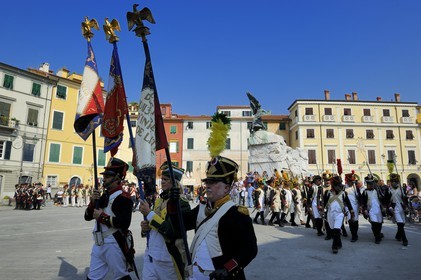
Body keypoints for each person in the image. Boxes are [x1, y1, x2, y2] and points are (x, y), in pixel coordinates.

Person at [169, 156, 258, 280]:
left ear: (227, 187)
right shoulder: (201, 208)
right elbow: (178, 226)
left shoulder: (237, 213)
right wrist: (173, 203)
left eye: (213, 182)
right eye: (207, 182)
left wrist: (228, 269)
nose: (208, 186)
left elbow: (250, 249)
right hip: (195, 274)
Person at [138, 162, 191, 280]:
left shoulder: (182, 203)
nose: (162, 181)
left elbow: (171, 231)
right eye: (162, 179)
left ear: (174, 182)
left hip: (168, 258)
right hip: (151, 253)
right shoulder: (159, 201)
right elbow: (154, 224)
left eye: (166, 179)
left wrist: (149, 214)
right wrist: (145, 228)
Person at [84, 158, 135, 280]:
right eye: (105, 175)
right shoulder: (105, 195)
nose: (104, 178)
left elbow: (124, 223)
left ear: (117, 178)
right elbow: (87, 217)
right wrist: (92, 202)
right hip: (99, 242)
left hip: (114, 242)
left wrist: (102, 217)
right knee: (93, 277)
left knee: (121, 276)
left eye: (108, 176)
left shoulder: (124, 198)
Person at [324, 175, 354, 254]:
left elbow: (348, 203)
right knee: (333, 230)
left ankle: (334, 247)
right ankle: (339, 243)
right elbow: (323, 203)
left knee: (337, 230)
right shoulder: (327, 193)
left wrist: (351, 211)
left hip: (339, 214)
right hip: (330, 214)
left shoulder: (343, 193)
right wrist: (321, 209)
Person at [361, 174, 387, 244]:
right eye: (369, 184)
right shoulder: (365, 192)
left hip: (379, 210)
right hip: (371, 210)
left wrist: (384, 206)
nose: (371, 185)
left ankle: (378, 234)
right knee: (374, 224)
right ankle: (377, 237)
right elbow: (363, 202)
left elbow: (384, 198)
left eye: (372, 183)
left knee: (379, 224)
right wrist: (365, 210)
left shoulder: (378, 190)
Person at [388, 173, 408, 246]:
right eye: (393, 181)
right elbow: (387, 200)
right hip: (394, 208)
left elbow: (405, 200)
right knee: (399, 223)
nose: (394, 183)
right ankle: (404, 239)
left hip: (401, 207)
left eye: (396, 181)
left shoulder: (402, 190)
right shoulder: (389, 190)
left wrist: (406, 207)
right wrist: (389, 208)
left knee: (402, 223)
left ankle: (398, 235)